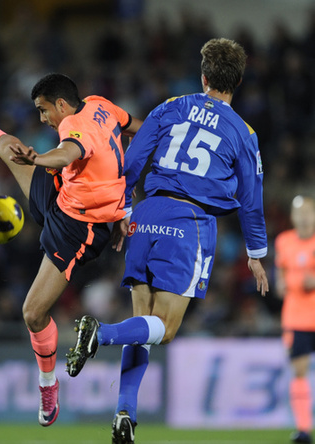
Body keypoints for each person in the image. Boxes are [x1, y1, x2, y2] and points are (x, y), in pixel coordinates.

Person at [66, 38, 269, 444]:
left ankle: (125, 412)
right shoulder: (243, 132)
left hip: (147, 214)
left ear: (204, 76)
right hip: (190, 220)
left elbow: (132, 161)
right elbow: (250, 200)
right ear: (238, 81)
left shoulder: (171, 106)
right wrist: (256, 254)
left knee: (143, 325)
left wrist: (124, 211)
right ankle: (99, 334)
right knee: (167, 328)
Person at [0, 70, 142, 426]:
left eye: (43, 110)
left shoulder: (73, 127)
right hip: (62, 197)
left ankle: (47, 384)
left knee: (32, 313)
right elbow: (139, 131)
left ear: (61, 104)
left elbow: (69, 151)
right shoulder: (102, 106)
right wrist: (124, 197)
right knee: (9, 145)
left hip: (79, 229)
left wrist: (40, 160)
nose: (42, 119)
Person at [275, 195, 315, 444]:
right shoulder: (284, 241)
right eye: (298, 212)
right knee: (298, 372)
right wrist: (282, 283)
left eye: (307, 212)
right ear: (292, 216)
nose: (303, 217)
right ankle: (303, 430)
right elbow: (280, 274)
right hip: (296, 317)